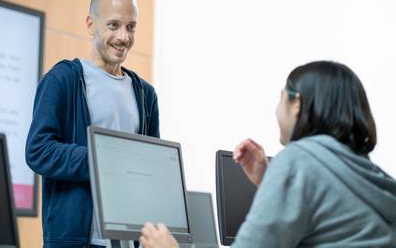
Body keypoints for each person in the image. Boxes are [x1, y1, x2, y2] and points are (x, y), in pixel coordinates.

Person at [140, 61, 396, 248]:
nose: (277, 109)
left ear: (296, 104)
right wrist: (270, 178)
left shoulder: (298, 160)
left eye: (281, 98)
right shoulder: (367, 174)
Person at [26, 0, 160, 248]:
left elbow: (151, 167)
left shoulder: (146, 94)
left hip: (128, 241)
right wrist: (102, 161)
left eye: (131, 27)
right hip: (77, 240)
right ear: (91, 24)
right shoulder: (63, 79)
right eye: (113, 25)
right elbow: (38, 151)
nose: (123, 37)